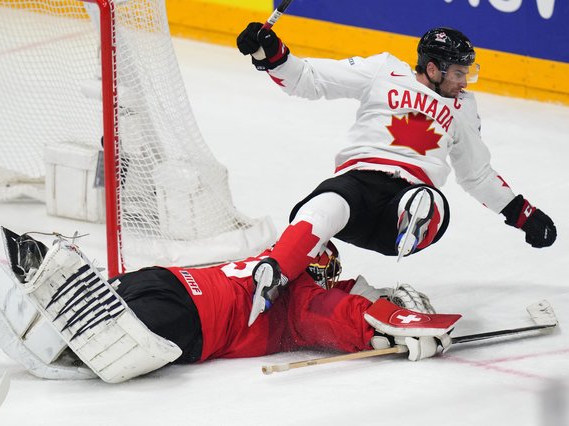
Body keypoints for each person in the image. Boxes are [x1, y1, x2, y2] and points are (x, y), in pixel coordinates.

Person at [236, 24, 557, 324]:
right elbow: (308, 79)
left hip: (404, 201)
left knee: (428, 201)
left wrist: (524, 215)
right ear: (433, 69)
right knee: (323, 207)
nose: (464, 82)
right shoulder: (383, 71)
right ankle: (274, 273)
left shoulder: (462, 109)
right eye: (459, 73)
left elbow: (477, 175)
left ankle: (410, 222)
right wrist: (272, 55)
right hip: (357, 183)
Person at [0, 221, 459, 383]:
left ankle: (10, 266)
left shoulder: (270, 262)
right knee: (66, 356)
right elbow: (339, 315)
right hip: (185, 318)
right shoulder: (298, 296)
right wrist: (401, 323)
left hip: (157, 283)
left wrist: (377, 309)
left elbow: (342, 302)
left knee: (70, 334)